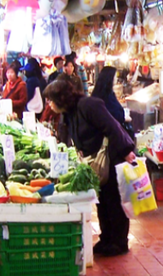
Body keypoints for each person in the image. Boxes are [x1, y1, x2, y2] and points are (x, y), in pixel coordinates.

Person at [44, 80, 136, 256]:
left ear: (61, 98)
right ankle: (106, 239)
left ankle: (119, 242)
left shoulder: (88, 105)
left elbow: (112, 126)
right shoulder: (69, 112)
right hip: (95, 161)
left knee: (114, 200)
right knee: (101, 201)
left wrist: (126, 151)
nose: (49, 104)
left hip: (111, 156)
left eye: (51, 100)